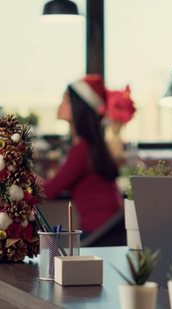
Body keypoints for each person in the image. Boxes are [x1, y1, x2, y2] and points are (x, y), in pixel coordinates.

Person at [43, 75, 122, 238]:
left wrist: (20, 175)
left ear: (77, 107)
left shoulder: (82, 148)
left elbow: (48, 191)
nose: (59, 105)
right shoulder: (89, 145)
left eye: (65, 100)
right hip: (109, 227)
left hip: (100, 233)